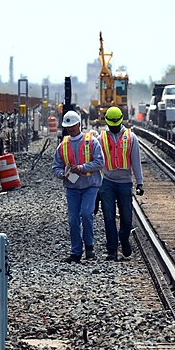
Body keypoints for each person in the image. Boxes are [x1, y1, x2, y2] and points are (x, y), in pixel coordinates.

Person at [52, 110, 104, 262]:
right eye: (68, 127)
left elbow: (100, 162)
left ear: (79, 124)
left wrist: (81, 168)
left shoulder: (92, 141)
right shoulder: (63, 145)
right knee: (73, 219)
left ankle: (89, 247)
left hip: (90, 186)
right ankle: (76, 252)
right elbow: (56, 167)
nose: (71, 129)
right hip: (72, 187)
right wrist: (62, 174)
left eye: (73, 126)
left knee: (87, 214)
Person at [98, 106, 144, 261]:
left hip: (125, 183)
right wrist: (97, 186)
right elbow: (97, 163)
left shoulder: (131, 138)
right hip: (107, 183)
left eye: (116, 123)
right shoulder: (101, 138)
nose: (114, 126)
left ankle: (124, 239)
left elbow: (136, 162)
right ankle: (112, 249)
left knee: (126, 217)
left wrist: (140, 182)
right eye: (111, 124)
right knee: (109, 217)